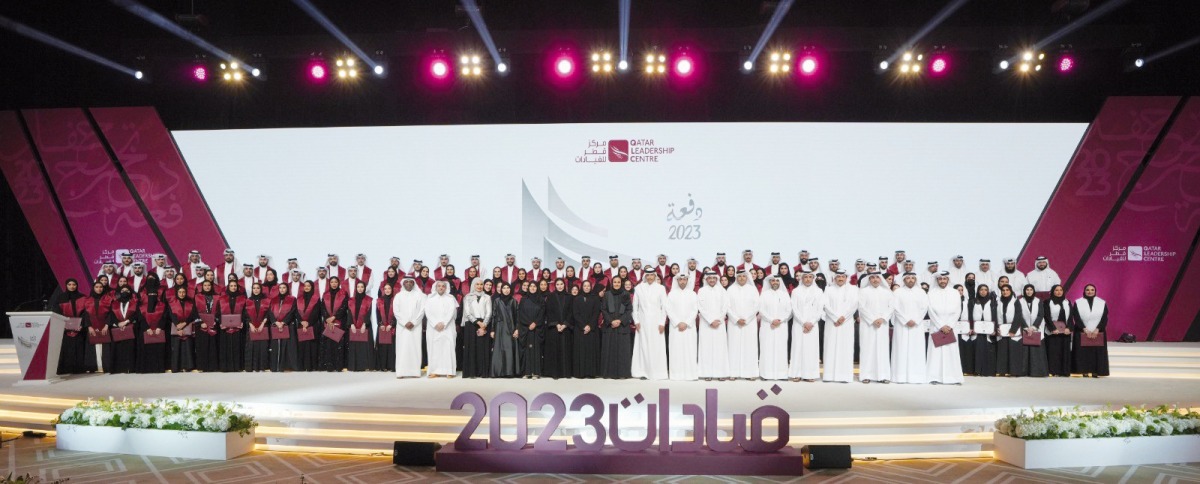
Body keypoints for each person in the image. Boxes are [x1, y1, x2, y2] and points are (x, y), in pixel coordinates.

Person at [890, 272, 929, 384]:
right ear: (904, 280)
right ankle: (900, 377)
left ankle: (916, 376)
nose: (910, 280)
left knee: (916, 350)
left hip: (916, 326)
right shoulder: (897, 292)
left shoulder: (921, 292)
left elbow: (924, 308)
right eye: (908, 278)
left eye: (913, 278)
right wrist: (906, 320)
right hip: (902, 325)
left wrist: (915, 320)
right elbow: (895, 307)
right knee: (901, 349)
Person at [926, 272, 964, 385]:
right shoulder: (931, 293)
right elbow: (930, 311)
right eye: (940, 279)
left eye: (944, 278)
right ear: (937, 280)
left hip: (950, 327)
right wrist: (941, 325)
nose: (942, 281)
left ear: (948, 279)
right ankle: (934, 377)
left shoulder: (954, 293)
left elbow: (958, 310)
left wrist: (950, 325)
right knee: (935, 353)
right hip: (936, 327)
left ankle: (953, 377)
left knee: (951, 352)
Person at [631, 269, 669, 381]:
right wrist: (636, 321)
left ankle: (658, 372)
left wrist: (662, 322)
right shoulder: (639, 288)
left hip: (656, 323)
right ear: (645, 276)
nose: (650, 277)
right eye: (648, 275)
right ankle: (643, 372)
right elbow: (635, 307)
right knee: (643, 346)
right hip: (642, 323)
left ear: (655, 276)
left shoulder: (661, 288)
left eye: (652, 275)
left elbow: (664, 307)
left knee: (656, 347)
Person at [787, 271, 823, 382]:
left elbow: (820, 309)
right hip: (799, 324)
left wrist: (811, 322)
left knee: (811, 349)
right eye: (805, 277)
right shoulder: (796, 291)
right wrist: (804, 322)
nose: (807, 279)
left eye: (810, 277)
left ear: (813, 278)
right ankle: (796, 373)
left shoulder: (819, 291)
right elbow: (794, 308)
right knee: (798, 348)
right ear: (801, 279)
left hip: (813, 325)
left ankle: (810, 374)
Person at [822, 271, 858, 383]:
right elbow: (825, 305)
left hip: (846, 323)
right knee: (830, 347)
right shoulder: (828, 289)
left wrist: (843, 318)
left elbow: (854, 305)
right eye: (838, 276)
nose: (840, 278)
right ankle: (828, 376)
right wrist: (835, 318)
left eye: (843, 276)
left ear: (846, 278)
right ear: (835, 278)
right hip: (832, 323)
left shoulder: (853, 289)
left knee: (845, 348)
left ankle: (844, 376)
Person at [858, 273, 893, 384]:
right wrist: (873, 319)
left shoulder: (887, 292)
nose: (875, 279)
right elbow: (861, 307)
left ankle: (883, 375)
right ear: (869, 279)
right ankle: (865, 375)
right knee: (867, 349)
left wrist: (882, 318)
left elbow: (891, 307)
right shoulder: (863, 292)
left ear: (880, 279)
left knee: (882, 350)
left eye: (877, 277)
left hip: (882, 325)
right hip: (868, 325)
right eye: (872, 277)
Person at [725, 270, 760, 380]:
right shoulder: (730, 290)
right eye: (739, 276)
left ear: (747, 277)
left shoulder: (753, 290)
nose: (741, 278)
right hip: (734, 323)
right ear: (736, 277)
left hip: (749, 323)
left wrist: (747, 319)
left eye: (743, 276)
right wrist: (736, 319)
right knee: (733, 346)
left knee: (749, 347)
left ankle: (750, 373)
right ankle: (733, 373)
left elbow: (757, 306)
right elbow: (727, 306)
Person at [53, 279, 92, 375]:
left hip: (79, 328)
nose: (72, 286)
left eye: (74, 284)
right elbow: (57, 313)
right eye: (69, 284)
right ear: (66, 286)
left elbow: (86, 313)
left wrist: (81, 325)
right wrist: (64, 325)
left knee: (79, 348)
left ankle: (79, 368)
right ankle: (65, 368)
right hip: (65, 328)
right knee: (66, 348)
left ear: (77, 285)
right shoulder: (60, 298)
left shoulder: (83, 297)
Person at [696, 271, 730, 381]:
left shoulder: (722, 291)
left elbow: (725, 307)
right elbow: (700, 307)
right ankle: (707, 373)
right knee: (706, 348)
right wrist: (710, 320)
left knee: (720, 348)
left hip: (719, 324)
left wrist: (718, 319)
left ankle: (720, 373)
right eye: (709, 278)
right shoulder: (701, 291)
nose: (711, 280)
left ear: (717, 279)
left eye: (713, 278)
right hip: (706, 324)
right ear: (706, 279)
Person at [757, 275, 791, 381]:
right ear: (769, 282)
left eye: (777, 280)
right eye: (773, 281)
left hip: (781, 326)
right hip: (767, 326)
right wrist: (771, 320)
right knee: (766, 349)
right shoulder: (764, 295)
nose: (775, 282)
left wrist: (779, 320)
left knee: (781, 349)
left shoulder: (785, 295)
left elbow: (789, 311)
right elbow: (761, 310)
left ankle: (782, 374)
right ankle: (765, 374)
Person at [1072, 283, 1110, 377]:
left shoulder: (1102, 302)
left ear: (1095, 291)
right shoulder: (1078, 302)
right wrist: (1084, 329)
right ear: (1084, 291)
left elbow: (1104, 318)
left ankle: (1096, 371)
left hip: (1097, 331)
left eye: (1092, 290)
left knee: (1096, 352)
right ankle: (1083, 370)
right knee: (1083, 352)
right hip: (1082, 330)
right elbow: (1076, 317)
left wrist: (1098, 329)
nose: (1090, 292)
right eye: (1087, 290)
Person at [600, 277, 633, 379]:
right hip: (610, 327)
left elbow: (629, 310)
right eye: (615, 282)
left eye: (619, 282)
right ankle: (609, 373)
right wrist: (611, 321)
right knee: (610, 351)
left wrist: (620, 321)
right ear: (612, 283)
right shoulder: (607, 294)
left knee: (623, 351)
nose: (617, 284)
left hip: (622, 327)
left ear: (621, 283)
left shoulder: (626, 294)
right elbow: (604, 309)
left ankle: (623, 373)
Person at [393, 278, 426, 378]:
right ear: (403, 284)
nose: (408, 284)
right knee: (401, 349)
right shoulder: (398, 296)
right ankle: (401, 372)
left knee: (415, 348)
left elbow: (422, 310)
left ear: (413, 283)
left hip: (415, 327)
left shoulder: (419, 296)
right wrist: (404, 322)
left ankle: (415, 372)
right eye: (406, 282)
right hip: (402, 327)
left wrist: (414, 322)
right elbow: (396, 311)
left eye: (410, 282)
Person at [425, 280, 459, 378]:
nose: (441, 288)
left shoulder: (450, 298)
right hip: (433, 327)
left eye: (443, 286)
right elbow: (428, 312)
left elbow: (451, 311)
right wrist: (435, 323)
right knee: (434, 349)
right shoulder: (430, 298)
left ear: (446, 288)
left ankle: (450, 371)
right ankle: (434, 371)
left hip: (448, 327)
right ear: (435, 287)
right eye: (439, 286)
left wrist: (444, 323)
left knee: (448, 348)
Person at [994, 284, 1028, 377]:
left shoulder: (1015, 301)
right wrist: (996, 327)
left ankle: (1015, 372)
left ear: (1011, 291)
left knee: (1014, 351)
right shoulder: (998, 301)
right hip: (1002, 329)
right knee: (1003, 351)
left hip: (1014, 328)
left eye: (1007, 290)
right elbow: (996, 316)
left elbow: (1018, 315)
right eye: (1003, 290)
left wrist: (1013, 330)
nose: (1005, 292)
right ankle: (1002, 371)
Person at [460, 278, 492, 378]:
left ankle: (482, 372)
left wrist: (484, 324)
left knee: (482, 348)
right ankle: (471, 372)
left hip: (484, 324)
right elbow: (467, 313)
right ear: (473, 285)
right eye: (477, 284)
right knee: (472, 348)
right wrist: (477, 322)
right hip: (471, 324)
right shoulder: (467, 297)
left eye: (481, 284)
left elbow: (489, 312)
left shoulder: (487, 297)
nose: (479, 286)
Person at [542, 279, 574, 379]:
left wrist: (565, 324)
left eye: (561, 284)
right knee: (555, 350)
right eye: (557, 284)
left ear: (564, 285)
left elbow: (571, 312)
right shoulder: (551, 296)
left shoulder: (569, 297)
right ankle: (555, 373)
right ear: (555, 286)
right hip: (554, 328)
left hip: (566, 328)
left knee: (566, 350)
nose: (560, 286)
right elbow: (549, 312)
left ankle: (566, 373)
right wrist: (556, 324)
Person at [964, 284, 998, 376]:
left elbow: (995, 316)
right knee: (977, 351)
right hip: (976, 331)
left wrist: (994, 328)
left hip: (988, 331)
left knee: (987, 350)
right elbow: (970, 315)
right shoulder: (973, 301)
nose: (983, 291)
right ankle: (977, 370)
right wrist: (971, 327)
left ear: (988, 291)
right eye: (981, 290)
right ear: (978, 291)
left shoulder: (992, 302)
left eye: (985, 290)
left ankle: (987, 371)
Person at [571, 280, 602, 378]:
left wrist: (589, 326)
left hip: (592, 329)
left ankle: (591, 372)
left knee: (591, 351)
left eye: (588, 286)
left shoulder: (595, 298)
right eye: (585, 286)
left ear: (591, 287)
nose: (587, 287)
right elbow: (576, 314)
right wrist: (583, 325)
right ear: (582, 287)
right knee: (580, 351)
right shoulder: (577, 299)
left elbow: (596, 313)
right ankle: (581, 373)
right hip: (580, 329)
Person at [1018, 284, 1050, 377]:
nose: (1029, 291)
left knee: (1036, 352)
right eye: (1027, 290)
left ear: (1033, 291)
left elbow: (1040, 315)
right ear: (1024, 291)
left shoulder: (1038, 301)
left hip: (1036, 329)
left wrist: (1033, 327)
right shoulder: (1019, 301)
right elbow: (1018, 314)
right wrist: (1026, 327)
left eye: (1031, 290)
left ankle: (1037, 372)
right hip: (1023, 329)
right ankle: (1023, 372)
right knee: (1024, 351)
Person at [136, 275, 167, 373]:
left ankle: (159, 368)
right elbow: (140, 318)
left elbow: (164, 317)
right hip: (145, 329)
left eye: (154, 295)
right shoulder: (141, 306)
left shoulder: (162, 305)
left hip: (159, 329)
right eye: (150, 295)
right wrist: (146, 328)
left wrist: (160, 327)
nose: (152, 296)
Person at [515, 282, 546, 378]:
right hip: (526, 328)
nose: (532, 288)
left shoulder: (541, 300)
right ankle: (527, 372)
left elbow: (542, 313)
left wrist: (535, 323)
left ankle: (536, 372)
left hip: (537, 329)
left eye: (534, 286)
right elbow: (520, 313)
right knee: (527, 350)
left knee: (536, 350)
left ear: (537, 288)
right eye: (531, 286)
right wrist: (529, 323)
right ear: (528, 288)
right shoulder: (523, 300)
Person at [318, 277, 349, 372]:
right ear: (329, 283)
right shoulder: (325, 294)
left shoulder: (343, 293)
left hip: (339, 321)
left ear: (338, 283)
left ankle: (338, 365)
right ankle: (329, 365)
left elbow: (344, 307)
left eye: (336, 282)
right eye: (332, 282)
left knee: (338, 344)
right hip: (328, 322)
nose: (334, 284)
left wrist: (334, 317)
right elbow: (322, 307)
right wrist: (328, 318)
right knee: (328, 344)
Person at [490, 283, 520, 377]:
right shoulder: (497, 301)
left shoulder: (514, 301)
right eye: (504, 288)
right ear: (501, 290)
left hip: (511, 328)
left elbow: (517, 317)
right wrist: (492, 329)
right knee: (499, 349)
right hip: (500, 328)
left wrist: (517, 329)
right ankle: (498, 372)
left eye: (508, 288)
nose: (506, 290)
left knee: (509, 349)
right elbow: (494, 316)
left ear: (510, 290)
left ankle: (509, 372)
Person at [107, 286, 138, 374]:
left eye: (127, 290)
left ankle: (131, 368)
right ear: (119, 292)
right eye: (122, 290)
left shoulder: (135, 302)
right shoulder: (114, 303)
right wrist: (118, 323)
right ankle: (119, 368)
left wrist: (127, 322)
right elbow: (111, 315)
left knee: (131, 348)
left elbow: (136, 314)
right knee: (118, 348)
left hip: (131, 327)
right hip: (118, 327)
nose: (125, 292)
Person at [218, 280, 248, 372]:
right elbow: (218, 312)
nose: (233, 287)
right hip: (225, 328)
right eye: (231, 286)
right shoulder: (222, 298)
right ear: (228, 287)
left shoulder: (243, 298)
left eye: (235, 286)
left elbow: (245, 312)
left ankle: (237, 367)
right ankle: (225, 367)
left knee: (237, 346)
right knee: (225, 346)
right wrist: (221, 322)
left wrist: (242, 321)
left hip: (238, 328)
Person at [1043, 284, 1073, 376]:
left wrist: (1069, 328)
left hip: (1065, 332)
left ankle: (1063, 371)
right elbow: (1047, 316)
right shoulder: (1047, 302)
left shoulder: (1067, 302)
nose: (1059, 292)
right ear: (1052, 291)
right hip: (1053, 332)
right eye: (1056, 290)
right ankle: (1053, 371)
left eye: (1061, 290)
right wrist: (1052, 328)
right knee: (1053, 352)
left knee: (1064, 352)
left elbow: (1070, 317)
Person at [268, 282, 298, 372]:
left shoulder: (292, 299)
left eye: (284, 287)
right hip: (276, 325)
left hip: (287, 326)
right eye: (280, 287)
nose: (282, 289)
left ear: (287, 289)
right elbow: (270, 312)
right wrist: (275, 322)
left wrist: (284, 322)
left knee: (287, 346)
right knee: (276, 346)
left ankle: (284, 366)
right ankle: (275, 366)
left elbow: (292, 312)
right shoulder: (273, 300)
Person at [345, 281, 375, 371]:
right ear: (356, 288)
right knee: (354, 346)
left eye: (362, 287)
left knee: (365, 346)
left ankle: (365, 366)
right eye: (358, 287)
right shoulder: (351, 300)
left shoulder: (369, 300)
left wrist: (365, 324)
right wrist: (351, 324)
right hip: (354, 327)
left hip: (365, 326)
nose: (360, 288)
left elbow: (368, 313)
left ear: (364, 288)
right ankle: (355, 366)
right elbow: (349, 313)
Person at [167, 285, 196, 372]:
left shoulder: (191, 303)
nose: (182, 294)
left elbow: (192, 314)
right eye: (180, 292)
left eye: (183, 292)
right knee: (176, 348)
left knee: (188, 347)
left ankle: (188, 366)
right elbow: (171, 315)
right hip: (176, 327)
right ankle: (177, 367)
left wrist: (184, 323)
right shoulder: (172, 303)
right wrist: (177, 326)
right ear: (177, 293)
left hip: (187, 326)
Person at [244, 283, 272, 372]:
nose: (256, 290)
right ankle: (251, 367)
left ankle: (262, 367)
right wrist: (250, 324)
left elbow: (268, 313)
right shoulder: (248, 301)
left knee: (263, 347)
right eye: (254, 288)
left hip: (263, 327)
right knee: (251, 347)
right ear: (252, 290)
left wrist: (263, 324)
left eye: (258, 288)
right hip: (251, 327)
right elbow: (245, 315)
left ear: (261, 289)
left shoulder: (266, 300)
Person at [294, 281, 321, 371]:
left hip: (312, 325)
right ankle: (302, 366)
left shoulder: (316, 299)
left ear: (312, 287)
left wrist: (308, 322)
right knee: (302, 346)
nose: (306, 287)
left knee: (312, 346)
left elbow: (316, 312)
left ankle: (312, 366)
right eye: (305, 286)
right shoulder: (299, 299)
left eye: (309, 286)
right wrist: (302, 321)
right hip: (301, 325)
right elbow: (296, 312)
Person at [194, 280, 220, 371]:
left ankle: (213, 367)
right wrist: (201, 322)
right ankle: (202, 366)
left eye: (209, 285)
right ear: (202, 286)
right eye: (205, 285)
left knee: (213, 345)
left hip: (213, 325)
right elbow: (194, 311)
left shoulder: (217, 297)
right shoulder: (197, 297)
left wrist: (216, 320)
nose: (207, 287)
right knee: (202, 345)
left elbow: (219, 310)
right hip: (201, 326)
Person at [375, 282, 398, 372]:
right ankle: (383, 366)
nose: (387, 290)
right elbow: (377, 314)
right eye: (385, 289)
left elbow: (396, 314)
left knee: (391, 347)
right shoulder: (379, 301)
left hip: (392, 327)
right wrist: (380, 324)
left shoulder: (395, 300)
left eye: (389, 288)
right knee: (383, 347)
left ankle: (391, 366)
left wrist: (391, 324)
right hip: (382, 328)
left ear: (392, 290)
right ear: (383, 290)